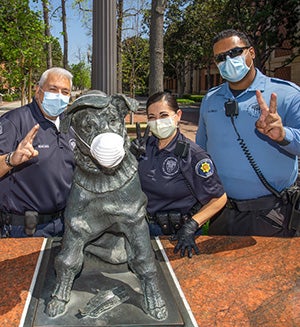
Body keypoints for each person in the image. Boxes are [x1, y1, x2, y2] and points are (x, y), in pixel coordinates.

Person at [196, 29, 300, 237]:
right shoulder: (211, 99)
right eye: (220, 58)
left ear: (251, 52)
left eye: (234, 52)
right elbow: (200, 151)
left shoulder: (287, 94)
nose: (228, 60)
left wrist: (283, 135)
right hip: (222, 212)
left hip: (272, 215)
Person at [131, 91, 227, 258]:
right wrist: (129, 157)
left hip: (179, 235)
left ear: (178, 116)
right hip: (144, 230)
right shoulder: (143, 147)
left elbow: (219, 198)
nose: (157, 122)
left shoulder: (194, 155)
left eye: (163, 115)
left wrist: (191, 226)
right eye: (152, 117)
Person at [0, 67, 76, 238]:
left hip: (64, 225)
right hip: (24, 230)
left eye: (65, 92)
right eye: (53, 89)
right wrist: (11, 159)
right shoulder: (14, 121)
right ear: (38, 91)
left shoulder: (70, 125)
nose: (59, 96)